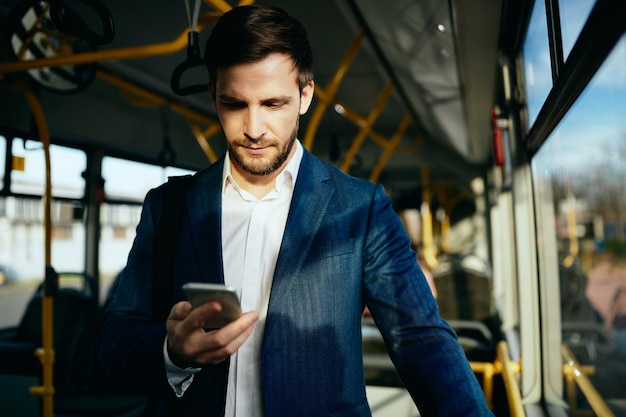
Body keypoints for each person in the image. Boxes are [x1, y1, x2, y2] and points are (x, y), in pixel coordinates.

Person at [98, 5, 494, 416]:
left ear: (305, 96)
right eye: (235, 104)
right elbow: (112, 345)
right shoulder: (168, 208)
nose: (253, 128)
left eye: (273, 104)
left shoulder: (362, 208)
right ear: (214, 96)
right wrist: (171, 351)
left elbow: (421, 339)